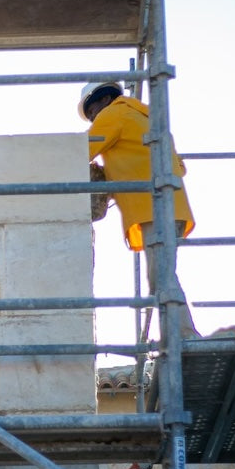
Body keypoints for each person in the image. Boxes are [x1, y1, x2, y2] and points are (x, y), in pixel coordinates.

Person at [79, 81, 200, 338]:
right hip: (170, 205)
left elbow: (81, 151)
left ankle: (184, 336)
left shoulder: (114, 114)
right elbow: (178, 165)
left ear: (104, 100)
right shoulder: (144, 117)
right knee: (162, 275)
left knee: (161, 277)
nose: (93, 119)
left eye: (92, 112)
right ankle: (181, 335)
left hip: (153, 207)